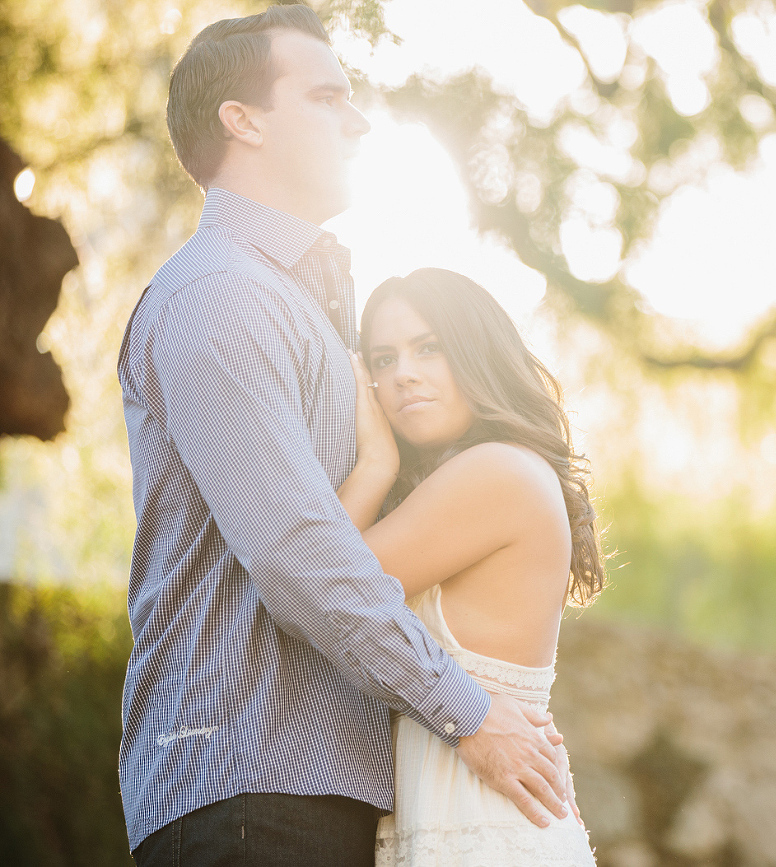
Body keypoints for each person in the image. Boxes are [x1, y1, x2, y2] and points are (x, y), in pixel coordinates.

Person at [118, 7, 571, 865]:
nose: (358, 119)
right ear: (242, 120)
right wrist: (468, 713)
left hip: (317, 797)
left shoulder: (303, 308)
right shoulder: (220, 297)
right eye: (328, 96)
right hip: (250, 788)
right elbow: (296, 553)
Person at [336, 268, 603, 865]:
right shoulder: (477, 477)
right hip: (456, 815)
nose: (403, 372)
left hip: (482, 825)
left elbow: (329, 582)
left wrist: (375, 462)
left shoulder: (496, 472)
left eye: (428, 347)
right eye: (383, 358)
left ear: (477, 353)